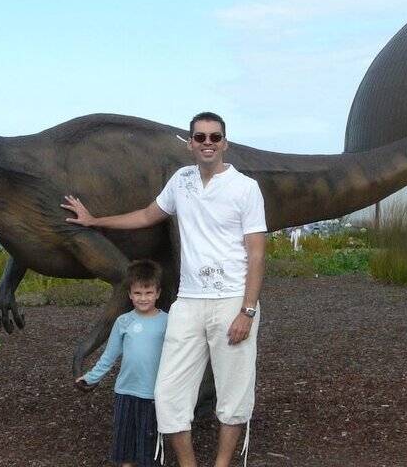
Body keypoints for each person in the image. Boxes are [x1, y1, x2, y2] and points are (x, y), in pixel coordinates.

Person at [62, 111, 267, 467]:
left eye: (214, 137)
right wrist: (94, 220)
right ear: (190, 143)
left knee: (233, 395)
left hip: (232, 299)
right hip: (188, 301)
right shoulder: (181, 181)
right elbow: (145, 215)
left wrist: (247, 310)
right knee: (168, 393)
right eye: (200, 137)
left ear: (225, 143)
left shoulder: (245, 188)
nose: (207, 143)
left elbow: (257, 251)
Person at [75, 259, 169, 467]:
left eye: (148, 293)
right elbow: (110, 355)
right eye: (137, 293)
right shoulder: (123, 321)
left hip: (153, 395)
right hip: (125, 392)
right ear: (129, 294)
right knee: (125, 448)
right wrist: (91, 377)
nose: (143, 298)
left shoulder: (168, 322)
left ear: (158, 293)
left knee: (148, 449)